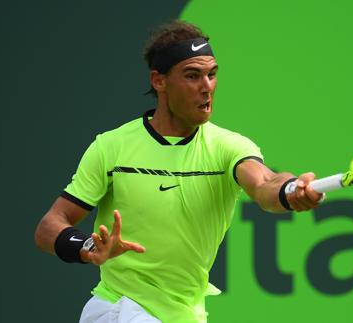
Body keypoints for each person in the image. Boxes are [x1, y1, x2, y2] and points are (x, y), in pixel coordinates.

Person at [34, 20, 323, 323]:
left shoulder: (228, 147)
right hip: (119, 308)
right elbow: (49, 227)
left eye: (212, 75)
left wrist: (291, 190)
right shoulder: (112, 148)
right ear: (159, 81)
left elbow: (265, 183)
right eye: (192, 75)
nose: (206, 87)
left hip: (185, 314)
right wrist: (88, 246)